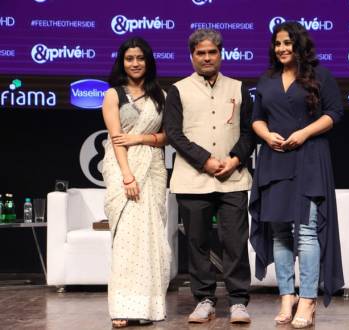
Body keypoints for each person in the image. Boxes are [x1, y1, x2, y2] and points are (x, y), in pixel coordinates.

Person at [249, 21, 344, 328]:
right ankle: (286, 296)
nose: (282, 49)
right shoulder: (267, 79)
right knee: (279, 231)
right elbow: (256, 119)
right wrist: (266, 136)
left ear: (299, 45)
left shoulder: (320, 75)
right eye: (277, 44)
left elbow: (334, 113)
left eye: (288, 43)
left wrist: (303, 133)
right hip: (275, 160)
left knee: (305, 231)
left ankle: (308, 300)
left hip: (308, 158)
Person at [163, 29, 255, 324]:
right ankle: (204, 298)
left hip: (233, 177)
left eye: (212, 52)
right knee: (197, 243)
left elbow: (248, 132)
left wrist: (233, 160)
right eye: (200, 53)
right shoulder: (178, 90)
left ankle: (239, 301)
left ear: (221, 54)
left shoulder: (239, 88)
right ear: (191, 56)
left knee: (235, 242)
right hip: (192, 178)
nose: (206, 57)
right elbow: (174, 134)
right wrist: (205, 161)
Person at [101, 37, 170, 328]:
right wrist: (127, 175)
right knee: (128, 240)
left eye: (140, 58)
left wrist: (141, 138)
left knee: (152, 239)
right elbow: (117, 139)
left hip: (153, 167)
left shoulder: (161, 95)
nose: (135, 63)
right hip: (123, 167)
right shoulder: (113, 95)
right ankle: (122, 305)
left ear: (148, 61)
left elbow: (167, 136)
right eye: (129, 59)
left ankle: (148, 307)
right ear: (122, 62)